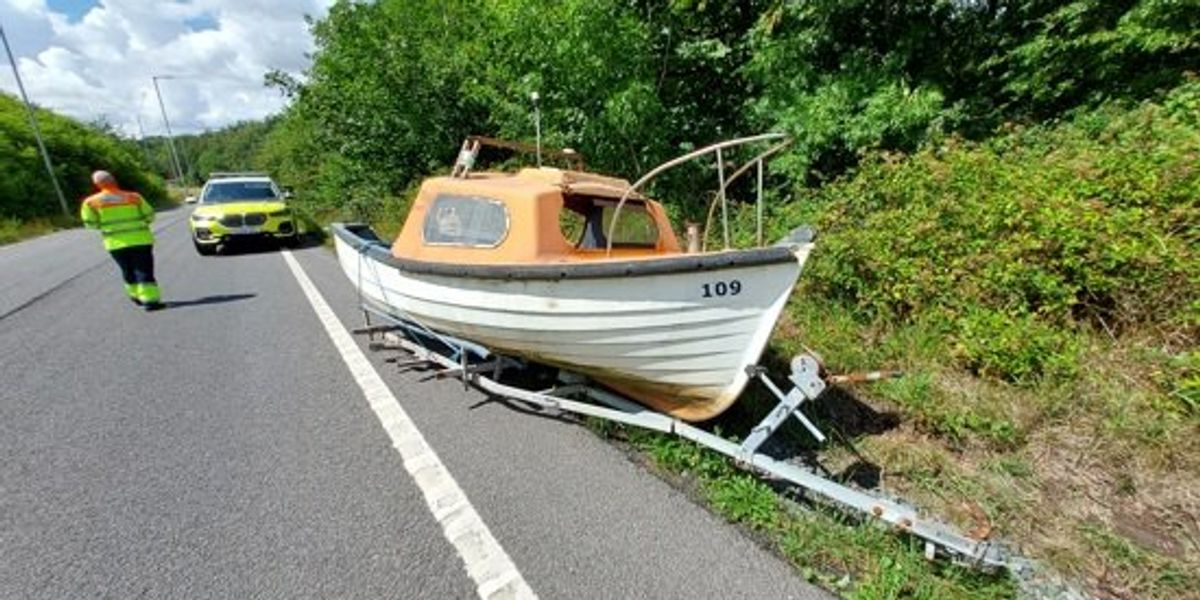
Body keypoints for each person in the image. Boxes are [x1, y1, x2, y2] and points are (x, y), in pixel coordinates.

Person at [80, 170, 164, 311]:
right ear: (114, 180)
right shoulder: (133, 197)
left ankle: (135, 296)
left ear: (97, 184)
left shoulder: (90, 202)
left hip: (115, 243)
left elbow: (90, 223)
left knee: (127, 270)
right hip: (140, 240)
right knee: (143, 270)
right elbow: (150, 216)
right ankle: (150, 301)